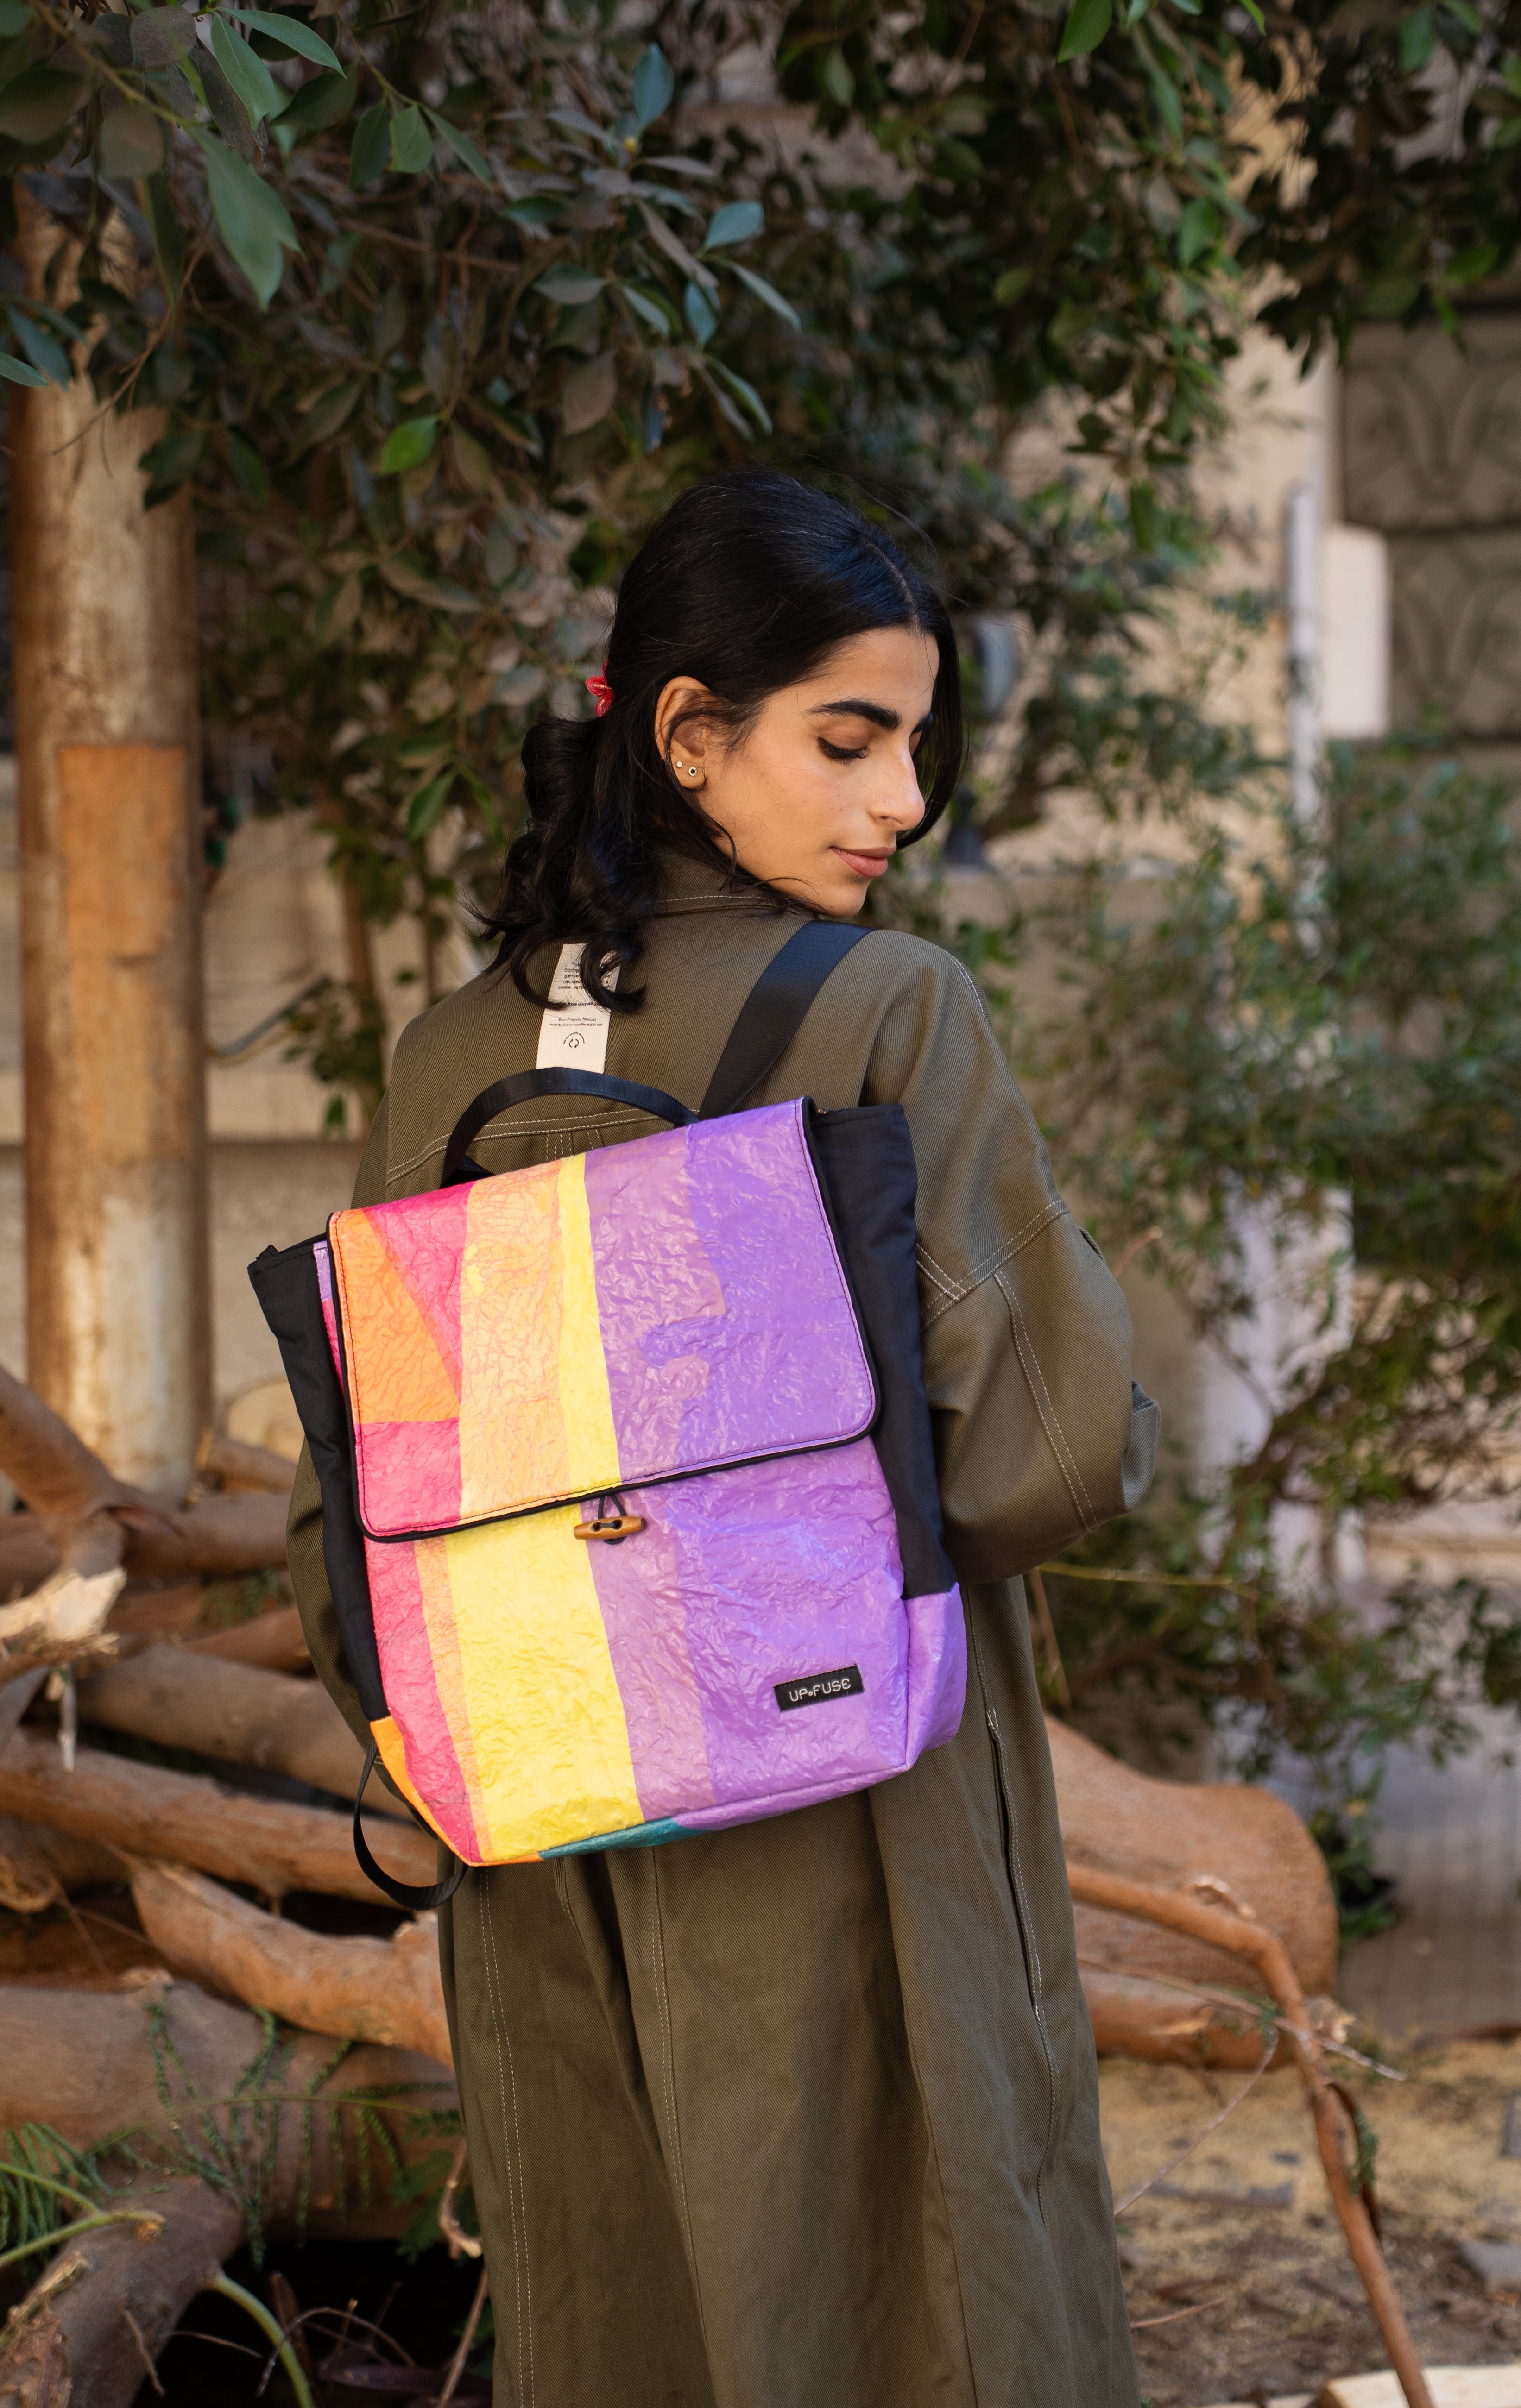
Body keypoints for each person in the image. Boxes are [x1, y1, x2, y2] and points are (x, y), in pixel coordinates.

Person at [286, 466, 1157, 2408]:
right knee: (918, 2287)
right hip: (850, 1790)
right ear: (687, 732)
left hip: (553, 1817)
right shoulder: (890, 1013)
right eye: (849, 741)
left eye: (912, 745)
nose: (901, 800)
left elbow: (349, 1510)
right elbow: (1046, 1448)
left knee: (624, 2297)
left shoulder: (448, 1055)